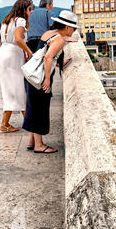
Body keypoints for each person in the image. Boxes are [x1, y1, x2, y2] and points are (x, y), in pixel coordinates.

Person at [23, 11, 77, 153]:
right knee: (40, 108)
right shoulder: (59, 39)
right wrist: (47, 79)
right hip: (41, 77)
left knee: (33, 107)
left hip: (32, 75)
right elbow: (47, 58)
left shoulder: (49, 33)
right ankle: (39, 146)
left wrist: (63, 41)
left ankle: (31, 141)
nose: (74, 31)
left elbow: (45, 52)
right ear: (67, 27)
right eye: (73, 28)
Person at [0, 0, 34, 133]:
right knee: (18, 87)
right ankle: (30, 123)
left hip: (3, 52)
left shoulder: (7, 20)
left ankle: (5, 123)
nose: (31, 12)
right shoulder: (20, 21)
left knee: (9, 88)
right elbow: (19, 38)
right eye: (29, 9)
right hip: (13, 54)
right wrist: (29, 51)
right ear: (24, 9)